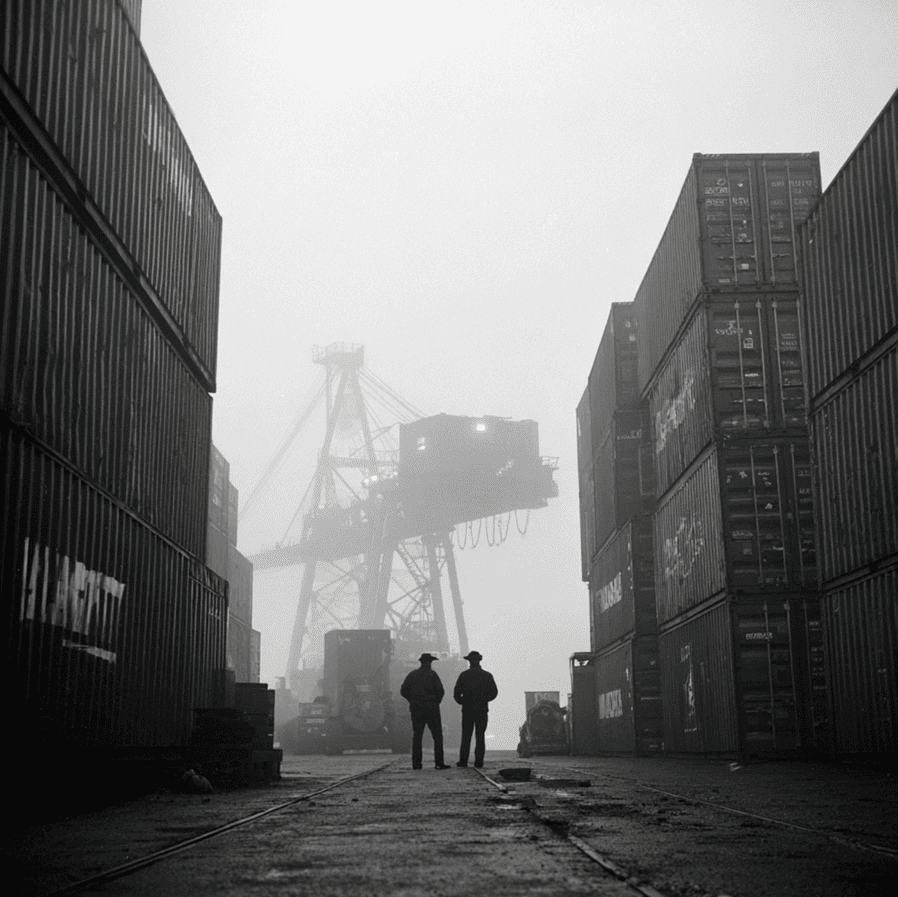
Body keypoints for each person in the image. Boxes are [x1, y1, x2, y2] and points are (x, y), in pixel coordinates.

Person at [399, 653, 451, 770]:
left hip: (417, 709)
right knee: (437, 736)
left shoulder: (412, 675)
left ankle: (416, 764)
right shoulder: (433, 675)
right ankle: (439, 762)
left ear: (421, 662)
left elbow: (403, 691)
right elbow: (441, 691)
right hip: (432, 709)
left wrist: (412, 700)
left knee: (417, 736)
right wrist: (435, 703)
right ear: (430, 662)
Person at [453, 650, 498, 768]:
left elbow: (456, 693)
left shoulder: (464, 675)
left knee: (466, 736)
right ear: (479, 661)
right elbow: (494, 692)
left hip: (467, 710)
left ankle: (463, 761)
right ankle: (479, 762)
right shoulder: (487, 675)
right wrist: (484, 700)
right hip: (482, 710)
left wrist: (462, 702)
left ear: (469, 661)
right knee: (480, 736)